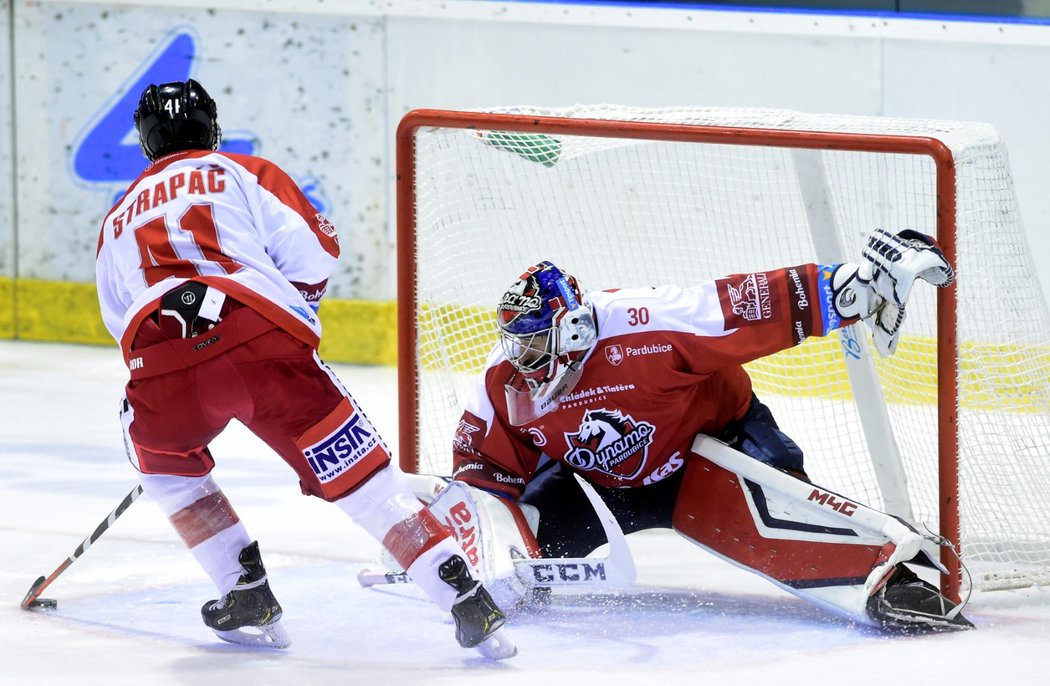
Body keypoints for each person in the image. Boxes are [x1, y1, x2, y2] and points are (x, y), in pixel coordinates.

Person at [94, 79, 514, 658]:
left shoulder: (115, 217)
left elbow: (120, 320)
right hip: (264, 349)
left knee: (167, 471)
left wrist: (178, 373)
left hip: (162, 367)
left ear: (144, 142)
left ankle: (244, 592)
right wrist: (282, 315)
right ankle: (465, 598)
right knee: (365, 484)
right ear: (211, 127)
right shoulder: (243, 172)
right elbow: (315, 253)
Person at [429, 232, 973, 632]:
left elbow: (747, 305)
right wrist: (486, 544)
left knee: (795, 522)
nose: (521, 358)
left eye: (532, 342)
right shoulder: (504, 378)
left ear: (571, 327)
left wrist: (853, 287)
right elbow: (484, 465)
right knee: (518, 555)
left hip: (710, 452)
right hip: (598, 486)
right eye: (515, 342)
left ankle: (895, 584)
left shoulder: (645, 323)